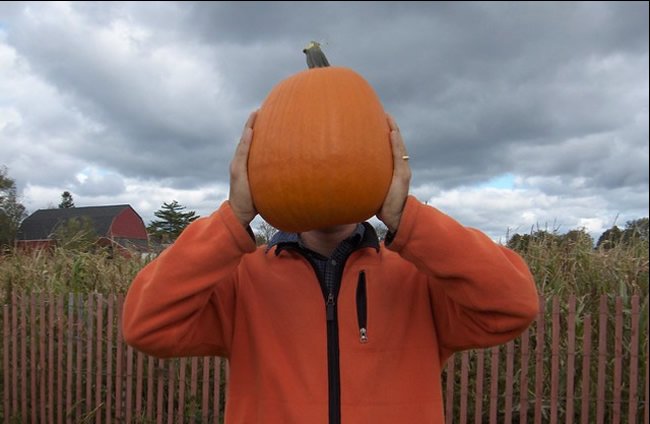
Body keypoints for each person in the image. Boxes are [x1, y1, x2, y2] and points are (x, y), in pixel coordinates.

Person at [122, 111, 539, 423]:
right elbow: (145, 325)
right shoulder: (243, 279)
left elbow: (514, 304)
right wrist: (233, 218)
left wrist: (408, 219)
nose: (325, 167)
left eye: (344, 153)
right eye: (305, 154)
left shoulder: (420, 278)